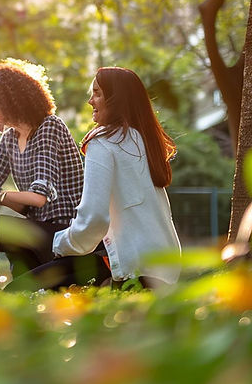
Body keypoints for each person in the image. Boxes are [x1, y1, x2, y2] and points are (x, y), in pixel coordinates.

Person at [0, 59, 104, 288]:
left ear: (10, 100)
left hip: (65, 229)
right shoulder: (10, 137)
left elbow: (39, 197)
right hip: (39, 230)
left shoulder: (49, 127)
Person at [50, 66, 181, 288]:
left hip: (136, 272)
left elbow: (94, 220)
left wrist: (59, 244)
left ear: (116, 99)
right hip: (165, 271)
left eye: (97, 93)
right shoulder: (143, 140)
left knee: (22, 288)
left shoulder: (103, 141)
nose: (90, 101)